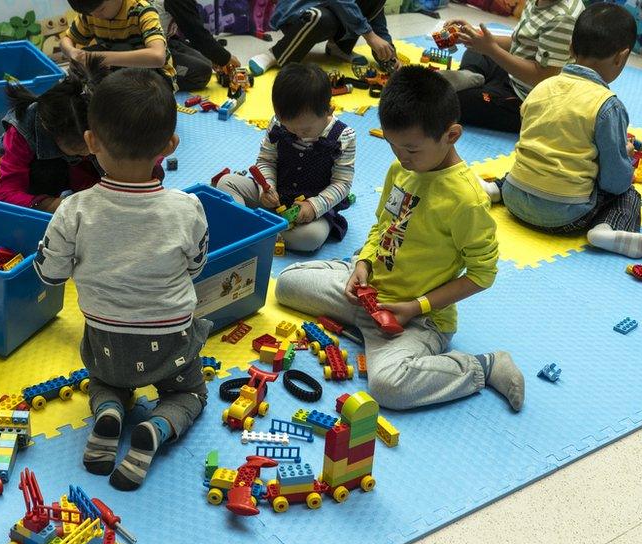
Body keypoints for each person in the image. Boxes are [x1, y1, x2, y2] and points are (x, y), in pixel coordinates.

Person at [274, 66, 524, 412]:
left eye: (411, 150)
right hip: (369, 295)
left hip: (416, 317)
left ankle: (484, 366)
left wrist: (415, 307)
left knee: (389, 387)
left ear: (451, 135)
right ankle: (349, 279)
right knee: (286, 283)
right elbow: (382, 225)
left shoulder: (467, 200)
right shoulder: (401, 169)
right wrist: (362, 263)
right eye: (393, 147)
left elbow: (483, 275)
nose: (402, 159)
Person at [34, 69, 211, 490]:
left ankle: (110, 409)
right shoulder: (188, 209)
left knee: (101, 380)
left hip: (107, 342)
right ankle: (158, 428)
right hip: (169, 341)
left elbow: (50, 274)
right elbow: (195, 269)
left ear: (91, 142)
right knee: (189, 394)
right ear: (169, 146)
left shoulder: (73, 209)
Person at [491, 3, 642, 258]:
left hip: (515, 198)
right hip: (566, 217)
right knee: (629, 194)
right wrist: (624, 156)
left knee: (540, 157)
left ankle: (496, 188)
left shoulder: (542, 86)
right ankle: (607, 229)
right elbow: (614, 182)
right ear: (621, 57)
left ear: (571, 48)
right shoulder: (608, 106)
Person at [215, 63, 355, 253]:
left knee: (311, 238)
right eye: (289, 127)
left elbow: (342, 184)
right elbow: (266, 160)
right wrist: (267, 187)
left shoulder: (342, 136)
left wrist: (313, 207)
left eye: (305, 130)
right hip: (275, 196)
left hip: (308, 209)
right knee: (226, 182)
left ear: (328, 110)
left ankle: (249, 228)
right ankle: (255, 227)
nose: (298, 134)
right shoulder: (278, 124)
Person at [440, 0, 584, 133]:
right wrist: (477, 38)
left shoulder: (562, 18)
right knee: (475, 50)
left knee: (449, 102)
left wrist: (491, 49)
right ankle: (471, 75)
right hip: (514, 70)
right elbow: (519, 43)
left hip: (526, 98)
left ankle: (473, 80)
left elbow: (543, 78)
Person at [0, 58, 109, 213]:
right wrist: (56, 205)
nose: (87, 152)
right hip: (45, 181)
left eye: (93, 145)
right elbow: (5, 194)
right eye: (79, 151)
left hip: (82, 181)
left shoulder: (107, 120)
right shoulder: (22, 131)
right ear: (48, 128)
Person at [248, 0, 396, 76]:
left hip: (327, 9)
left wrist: (388, 56)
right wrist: (370, 36)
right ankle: (275, 53)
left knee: (368, 4)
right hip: (298, 13)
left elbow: (377, 18)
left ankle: (339, 48)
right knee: (322, 18)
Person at [62, 0, 177, 90]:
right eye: (89, 13)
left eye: (101, 9)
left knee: (192, 69)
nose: (96, 16)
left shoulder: (142, 10)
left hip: (155, 76)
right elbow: (66, 40)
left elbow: (157, 57)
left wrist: (99, 57)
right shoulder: (91, 14)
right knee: (84, 59)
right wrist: (72, 52)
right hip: (124, 72)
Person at [153, 0, 241, 91]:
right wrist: (225, 58)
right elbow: (196, 34)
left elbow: (193, 31)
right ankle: (151, 78)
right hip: (151, 50)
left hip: (167, 41)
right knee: (201, 73)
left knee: (208, 62)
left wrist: (214, 57)